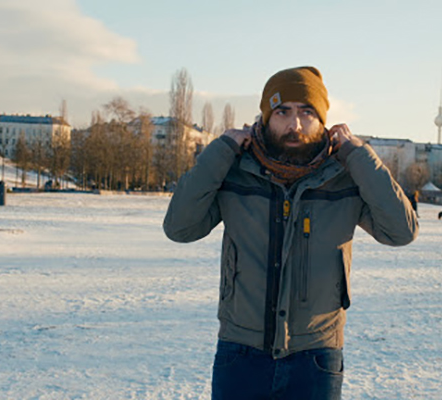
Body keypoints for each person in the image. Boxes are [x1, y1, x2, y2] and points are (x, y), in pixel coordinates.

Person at [163, 66, 419, 399]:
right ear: (266, 117)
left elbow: (401, 231)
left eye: (306, 112)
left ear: (323, 120)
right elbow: (179, 228)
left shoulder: (345, 178)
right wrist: (221, 150)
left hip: (316, 355)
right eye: (282, 111)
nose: (294, 125)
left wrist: (358, 154)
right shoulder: (237, 173)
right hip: (240, 351)